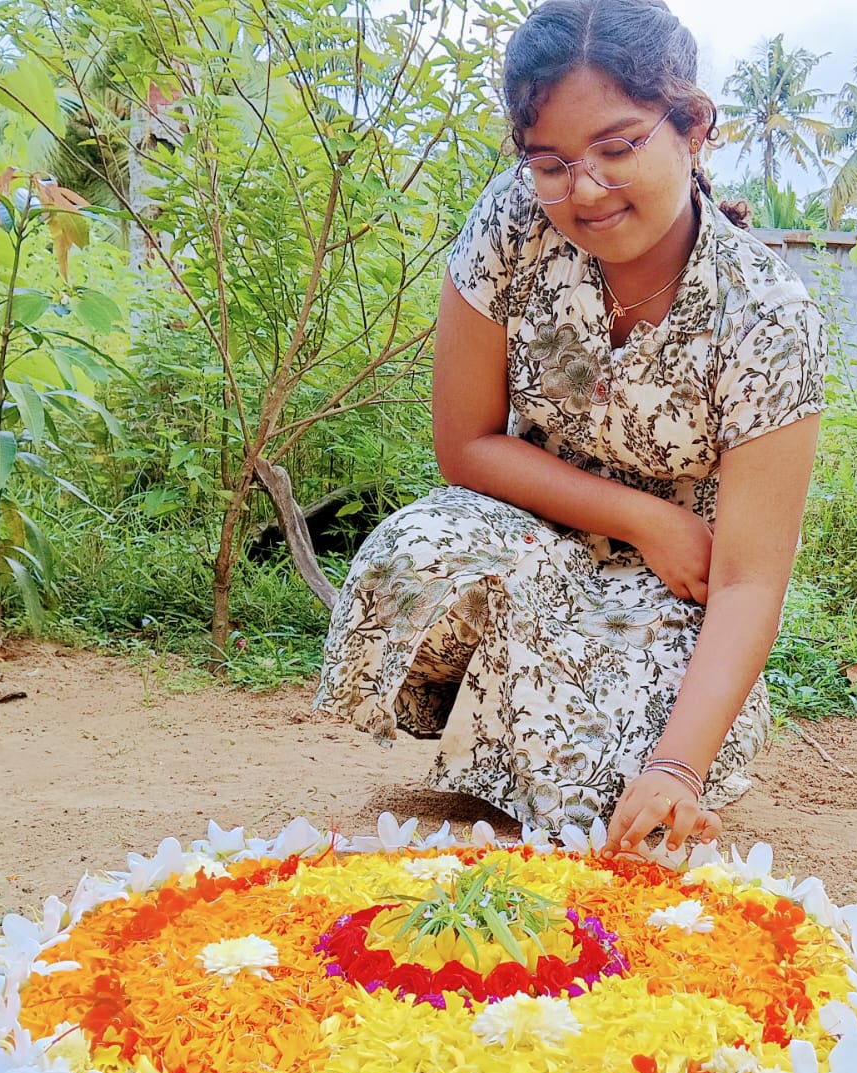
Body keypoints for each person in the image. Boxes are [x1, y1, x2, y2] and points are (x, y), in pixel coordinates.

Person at [314, 0, 824, 859]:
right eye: (550, 161)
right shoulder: (512, 222)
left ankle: (586, 748)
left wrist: (676, 767)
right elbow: (465, 443)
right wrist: (645, 516)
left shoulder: (770, 317)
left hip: (675, 589)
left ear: (693, 126)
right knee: (415, 554)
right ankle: (499, 735)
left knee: (614, 800)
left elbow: (745, 581)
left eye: (619, 147)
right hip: (528, 531)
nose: (583, 189)